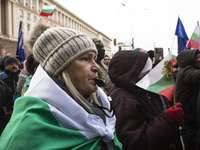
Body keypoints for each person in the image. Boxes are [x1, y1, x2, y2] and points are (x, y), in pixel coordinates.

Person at [0, 23, 122, 150]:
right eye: (86, 59)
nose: (96, 67)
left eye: (94, 59)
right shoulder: (28, 127)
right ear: (61, 69)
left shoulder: (104, 108)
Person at [108, 50, 184, 150]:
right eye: (148, 70)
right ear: (136, 72)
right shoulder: (124, 100)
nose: (151, 72)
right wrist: (169, 119)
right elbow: (136, 144)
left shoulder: (133, 90)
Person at [175, 49, 200, 150]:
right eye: (197, 57)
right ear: (189, 60)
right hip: (190, 126)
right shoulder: (185, 72)